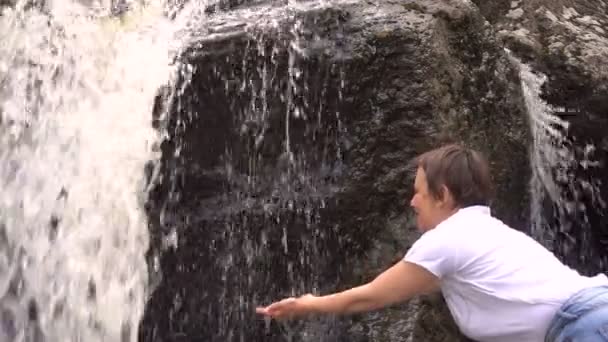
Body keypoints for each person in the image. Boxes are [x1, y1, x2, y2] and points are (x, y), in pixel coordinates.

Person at [255, 144, 608, 342]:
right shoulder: (490, 233)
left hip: (584, 325)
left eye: (418, 194)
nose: (412, 202)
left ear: (442, 195)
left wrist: (306, 304)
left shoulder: (446, 239)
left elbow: (371, 296)